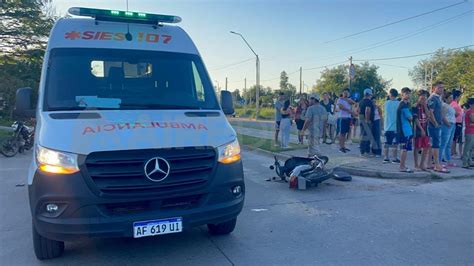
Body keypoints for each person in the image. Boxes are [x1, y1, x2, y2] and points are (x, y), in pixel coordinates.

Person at [427, 81, 449, 173]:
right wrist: (435, 122)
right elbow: (430, 112)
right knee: (436, 145)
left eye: (442, 87)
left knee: (433, 145)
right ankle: (437, 165)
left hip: (437, 124)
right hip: (433, 125)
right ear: (434, 88)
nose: (442, 89)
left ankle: (430, 163)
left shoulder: (438, 98)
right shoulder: (433, 98)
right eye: (439, 87)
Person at [396, 87, 414, 173]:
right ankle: (401, 166)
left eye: (409, 93)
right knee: (404, 149)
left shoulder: (404, 104)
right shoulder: (403, 105)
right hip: (404, 130)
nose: (408, 95)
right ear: (402, 94)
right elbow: (410, 118)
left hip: (406, 130)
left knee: (405, 149)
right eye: (406, 93)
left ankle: (402, 166)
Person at [413, 90, 430, 171]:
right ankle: (416, 164)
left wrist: (425, 106)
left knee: (426, 147)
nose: (424, 99)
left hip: (425, 128)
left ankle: (422, 164)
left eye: (425, 97)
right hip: (418, 129)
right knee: (417, 147)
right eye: (422, 97)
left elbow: (428, 115)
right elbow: (415, 119)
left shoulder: (426, 106)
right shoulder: (415, 106)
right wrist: (421, 129)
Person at [383, 89, 400, 163]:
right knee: (394, 144)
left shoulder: (386, 103)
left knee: (386, 143)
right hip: (395, 127)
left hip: (387, 126)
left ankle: (386, 157)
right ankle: (394, 158)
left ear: (390, 94)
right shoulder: (398, 103)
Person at [439, 92, 456, 166]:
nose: (451, 99)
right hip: (447, 124)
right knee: (443, 143)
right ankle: (439, 161)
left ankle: (448, 160)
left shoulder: (450, 106)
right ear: (445, 98)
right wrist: (448, 124)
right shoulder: (444, 105)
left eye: (452, 98)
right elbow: (442, 116)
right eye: (450, 98)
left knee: (449, 143)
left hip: (452, 124)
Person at [359, 88, 375, 157]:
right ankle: (364, 152)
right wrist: (367, 120)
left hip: (361, 119)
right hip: (366, 120)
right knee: (366, 136)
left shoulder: (361, 101)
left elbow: (358, 110)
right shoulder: (369, 102)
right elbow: (367, 110)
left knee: (363, 135)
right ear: (369, 94)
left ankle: (365, 151)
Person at [336, 89, 353, 153]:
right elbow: (341, 107)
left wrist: (347, 99)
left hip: (348, 117)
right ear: (342, 93)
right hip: (342, 118)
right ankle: (341, 147)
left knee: (346, 133)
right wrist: (349, 111)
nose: (346, 94)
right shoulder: (339, 100)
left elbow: (353, 103)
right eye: (345, 93)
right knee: (342, 133)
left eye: (347, 93)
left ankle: (343, 146)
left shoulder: (348, 100)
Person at [462, 98, 474, 169]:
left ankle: (470, 161)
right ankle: (465, 162)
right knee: (468, 147)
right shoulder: (470, 111)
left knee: (472, 148)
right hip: (470, 131)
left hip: (472, 131)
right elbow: (472, 120)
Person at [451, 90, 463, 158]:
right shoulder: (454, 104)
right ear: (457, 97)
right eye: (460, 97)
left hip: (457, 122)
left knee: (454, 138)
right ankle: (453, 152)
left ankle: (453, 151)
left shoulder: (454, 104)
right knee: (454, 138)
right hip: (456, 122)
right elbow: (454, 114)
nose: (460, 98)